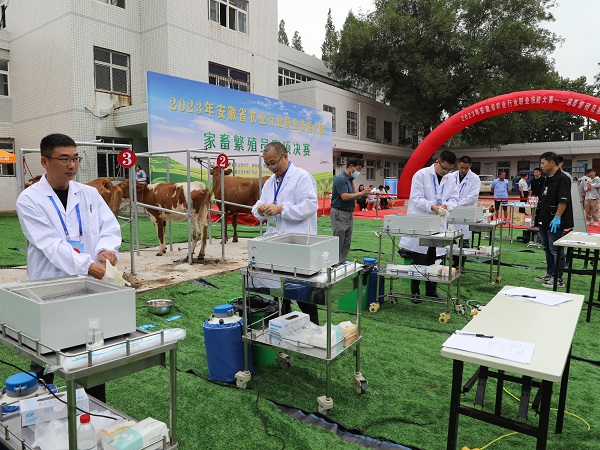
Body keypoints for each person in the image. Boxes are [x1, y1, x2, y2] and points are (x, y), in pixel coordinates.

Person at [16, 133, 121, 402]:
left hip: (88, 286)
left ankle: (95, 408)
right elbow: (50, 244)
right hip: (50, 283)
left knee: (91, 348)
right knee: (45, 351)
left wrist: (106, 249)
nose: (71, 165)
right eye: (64, 159)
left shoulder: (88, 194)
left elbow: (109, 227)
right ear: (44, 161)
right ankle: (39, 404)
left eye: (75, 158)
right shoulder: (29, 199)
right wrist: (88, 265)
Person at [252, 142, 319, 323]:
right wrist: (260, 209)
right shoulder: (270, 182)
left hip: (298, 244)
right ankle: (282, 327)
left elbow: (310, 205)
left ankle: (314, 330)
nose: (272, 168)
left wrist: (282, 209)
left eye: (274, 162)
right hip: (276, 242)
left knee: (303, 293)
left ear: (286, 156)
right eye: (268, 164)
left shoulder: (302, 177)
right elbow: (259, 205)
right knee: (279, 292)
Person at [400, 150, 459, 302]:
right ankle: (415, 291)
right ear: (437, 162)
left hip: (439, 223)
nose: (446, 172)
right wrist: (432, 206)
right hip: (423, 221)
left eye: (449, 169)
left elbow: (454, 198)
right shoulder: (421, 175)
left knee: (436, 259)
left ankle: (431, 290)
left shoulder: (450, 178)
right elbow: (416, 198)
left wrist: (446, 205)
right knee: (419, 259)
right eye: (444, 168)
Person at [534, 152, 574, 289]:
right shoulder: (548, 178)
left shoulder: (563, 178)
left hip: (554, 221)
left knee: (556, 249)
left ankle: (558, 279)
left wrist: (557, 217)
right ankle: (550, 274)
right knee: (547, 248)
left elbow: (563, 200)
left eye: (543, 163)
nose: (541, 166)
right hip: (544, 219)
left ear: (552, 162)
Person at [330, 157, 369, 262]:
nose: (358, 172)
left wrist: (363, 195)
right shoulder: (341, 178)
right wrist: (361, 193)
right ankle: (334, 263)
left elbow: (352, 196)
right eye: (358, 169)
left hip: (348, 213)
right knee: (339, 241)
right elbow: (344, 196)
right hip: (340, 213)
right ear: (351, 166)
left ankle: (341, 262)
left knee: (346, 242)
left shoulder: (350, 180)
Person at [451, 156, 481, 267]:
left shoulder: (475, 178)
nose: (463, 170)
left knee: (464, 240)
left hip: (466, 212)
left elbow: (472, 197)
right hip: (452, 212)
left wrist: (457, 204)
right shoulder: (451, 176)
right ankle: (455, 261)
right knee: (450, 237)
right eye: (462, 167)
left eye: (466, 168)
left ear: (470, 166)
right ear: (458, 164)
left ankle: (461, 264)